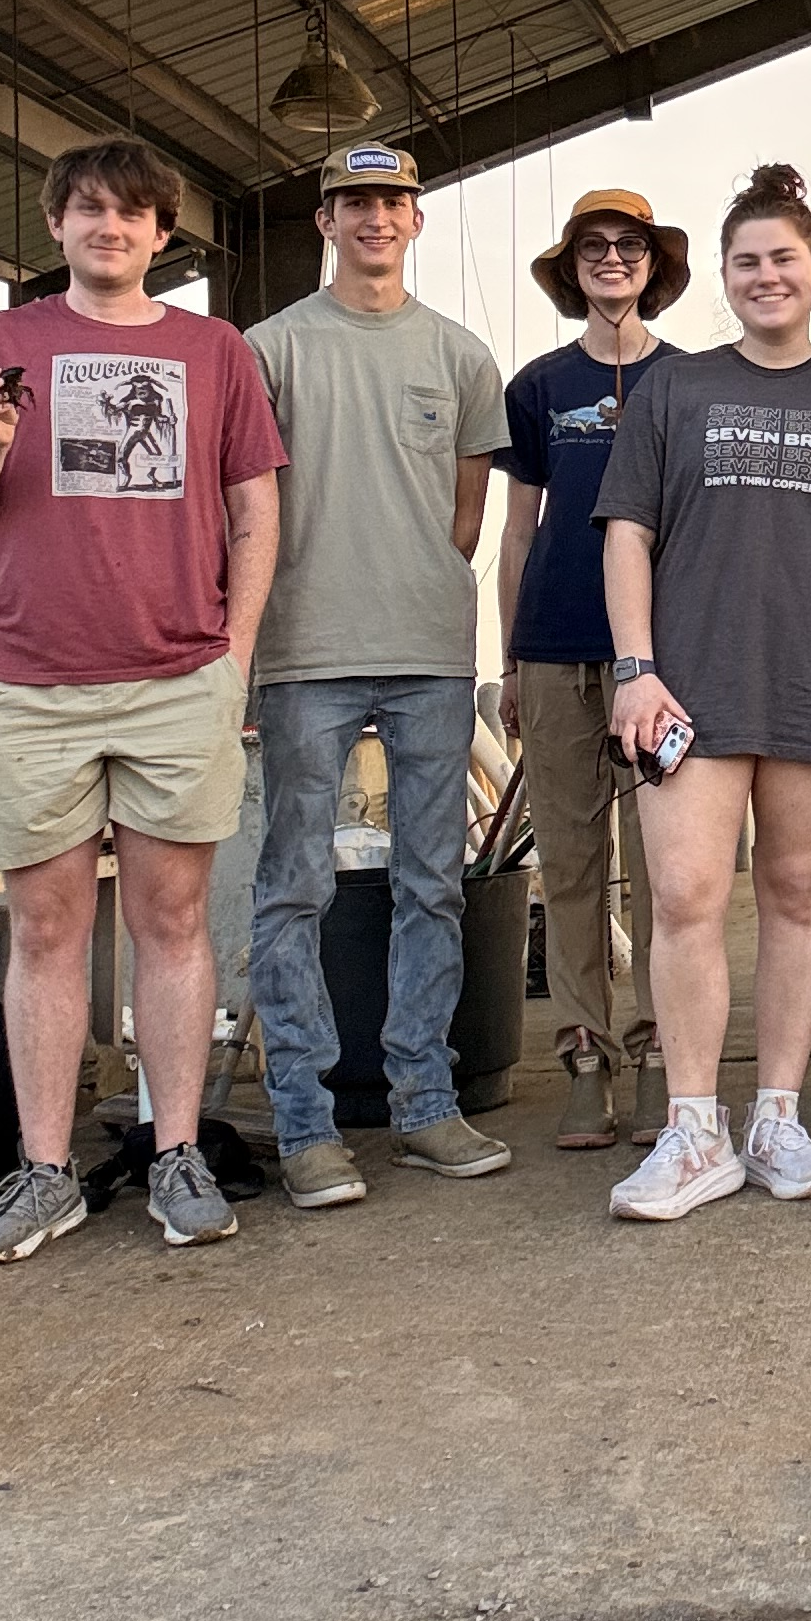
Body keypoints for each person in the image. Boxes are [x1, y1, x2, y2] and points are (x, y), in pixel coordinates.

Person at [0, 139, 284, 1261]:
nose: (108, 228)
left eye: (131, 213)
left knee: (172, 920)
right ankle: (43, 1169)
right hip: (31, 678)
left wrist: (235, 655)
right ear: (57, 227)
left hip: (179, 672)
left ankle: (175, 1153)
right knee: (44, 927)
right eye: (87, 211)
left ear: (162, 234)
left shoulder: (214, 349)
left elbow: (254, 509)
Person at [595, 164, 811, 1221]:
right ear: (724, 279)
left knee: (800, 894)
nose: (766, 275)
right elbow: (628, 533)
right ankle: (696, 1132)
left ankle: (777, 1118)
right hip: (689, 686)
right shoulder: (674, 387)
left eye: (785, 257)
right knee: (687, 897)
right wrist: (636, 669)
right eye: (747, 261)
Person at [243, 142, 513, 1208]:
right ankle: (305, 1122)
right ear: (324, 220)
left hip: (430, 653)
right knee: (295, 887)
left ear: (415, 220)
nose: (374, 219)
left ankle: (424, 1105)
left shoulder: (459, 354)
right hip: (304, 652)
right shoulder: (270, 350)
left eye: (392, 202)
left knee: (431, 887)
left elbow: (467, 512)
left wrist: (416, 578)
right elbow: (244, 504)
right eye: (354, 202)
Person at [497, 188, 688, 1148]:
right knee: (571, 866)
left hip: (663, 662)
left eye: (630, 246)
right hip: (555, 650)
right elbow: (517, 529)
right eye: (592, 248)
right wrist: (508, 659)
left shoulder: (696, 381)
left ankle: (661, 1053)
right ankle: (585, 1058)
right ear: (571, 270)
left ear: (654, 265)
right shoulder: (537, 386)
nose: (612, 259)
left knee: (665, 869)